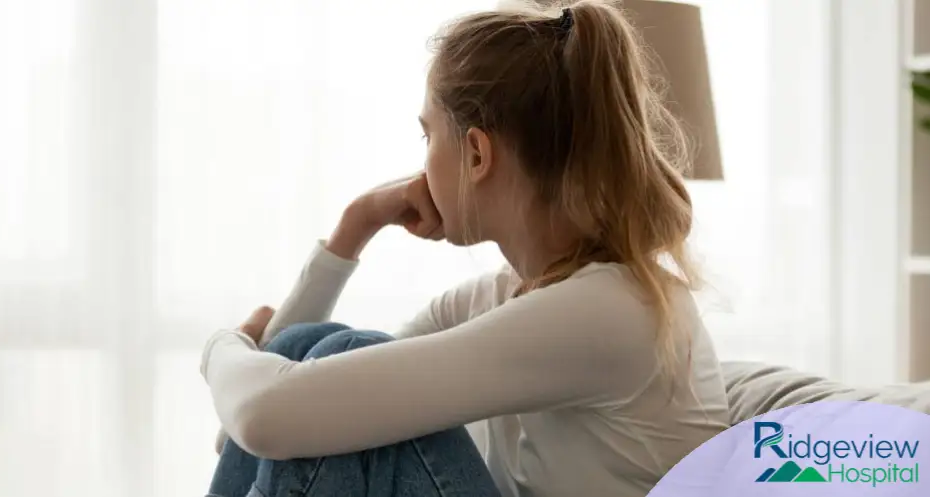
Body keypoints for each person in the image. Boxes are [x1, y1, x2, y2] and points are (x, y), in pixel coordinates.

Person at [201, 1, 730, 496]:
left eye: (427, 136)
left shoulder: (610, 311)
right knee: (324, 350)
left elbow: (264, 417)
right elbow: (256, 427)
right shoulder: (507, 296)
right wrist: (356, 225)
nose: (424, 161)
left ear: (477, 153)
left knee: (339, 357)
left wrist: (221, 349)